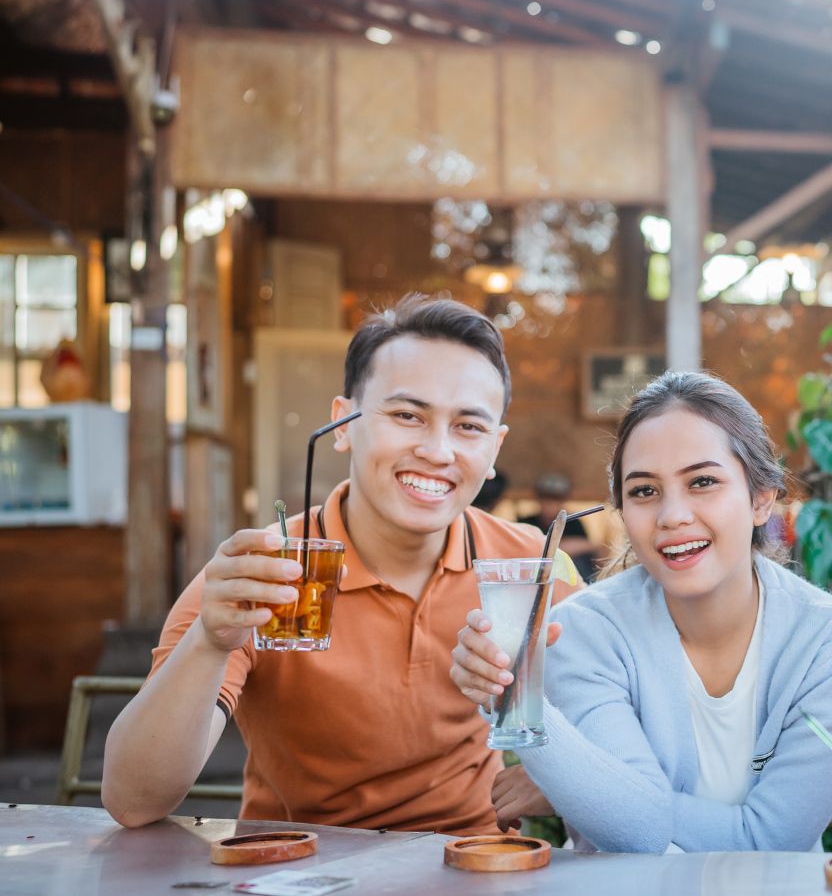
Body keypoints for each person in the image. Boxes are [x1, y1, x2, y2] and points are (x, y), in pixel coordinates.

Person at [103, 294, 579, 835]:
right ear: (343, 424)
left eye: (468, 427)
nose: (438, 450)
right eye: (406, 415)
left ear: (495, 449)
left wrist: (562, 779)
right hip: (298, 865)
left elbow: (637, 738)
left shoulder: (528, 566)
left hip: (472, 865)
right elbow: (133, 799)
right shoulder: (264, 568)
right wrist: (211, 641)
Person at [450, 371, 832, 852]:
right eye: (644, 491)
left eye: (702, 481)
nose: (672, 515)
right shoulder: (583, 631)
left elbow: (774, 840)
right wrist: (520, 705)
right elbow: (637, 834)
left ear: (762, 499)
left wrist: (578, 787)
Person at [520, 471, 600, 581]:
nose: (550, 504)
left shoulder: (573, 523)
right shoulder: (526, 523)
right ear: (538, 498)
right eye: (546, 498)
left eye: (556, 499)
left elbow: (590, 547)